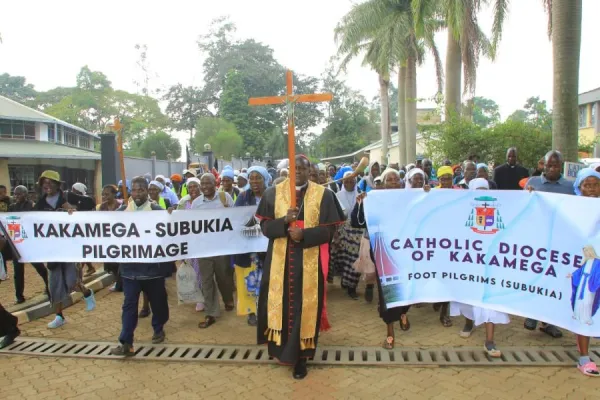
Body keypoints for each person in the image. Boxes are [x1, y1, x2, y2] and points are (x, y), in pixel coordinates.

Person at [256, 155, 344, 379]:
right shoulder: (272, 193)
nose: (299, 173)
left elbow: (331, 232)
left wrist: (305, 234)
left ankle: (301, 359)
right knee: (282, 306)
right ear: (289, 170)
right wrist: (284, 223)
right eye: (295, 169)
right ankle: (280, 350)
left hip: (309, 262)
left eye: (303, 169)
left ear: (309, 170)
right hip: (279, 264)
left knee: (305, 309)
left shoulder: (324, 194)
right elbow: (265, 228)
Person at [350, 170, 411, 350]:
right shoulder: (374, 200)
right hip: (383, 253)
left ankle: (403, 313)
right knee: (388, 292)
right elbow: (356, 222)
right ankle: (390, 331)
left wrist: (425, 193)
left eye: (395, 179)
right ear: (383, 183)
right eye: (388, 180)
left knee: (406, 289)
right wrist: (359, 204)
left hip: (407, 253)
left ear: (401, 182)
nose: (392, 182)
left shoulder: (409, 200)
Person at [110, 177, 170, 356]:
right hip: (130, 271)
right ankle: (126, 342)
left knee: (158, 303)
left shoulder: (157, 211)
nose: (137, 194)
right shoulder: (122, 212)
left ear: (147, 191)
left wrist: (172, 215)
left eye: (141, 190)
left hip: (153, 270)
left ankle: (158, 328)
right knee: (129, 306)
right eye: (134, 190)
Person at [450, 178, 509, 358]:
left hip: (491, 263)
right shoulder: (462, 210)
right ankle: (469, 323)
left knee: (490, 300)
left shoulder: (500, 208)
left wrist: (530, 195)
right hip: (470, 261)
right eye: (478, 190)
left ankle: (489, 340)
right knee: (469, 296)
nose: (482, 193)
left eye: (485, 189)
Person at [34, 171, 96, 329]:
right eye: (44, 183)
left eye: (51, 182)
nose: (47, 185)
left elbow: (79, 216)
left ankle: (87, 293)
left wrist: (72, 213)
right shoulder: (40, 204)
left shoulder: (67, 199)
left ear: (57, 185)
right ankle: (59, 316)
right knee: (54, 285)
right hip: (52, 250)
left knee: (72, 282)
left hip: (69, 248)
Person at [521, 150, 573, 338]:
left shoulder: (570, 186)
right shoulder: (533, 183)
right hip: (536, 239)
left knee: (555, 280)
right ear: (543, 164)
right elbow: (523, 208)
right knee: (535, 276)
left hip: (560, 241)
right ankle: (532, 314)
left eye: (556, 165)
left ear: (561, 165)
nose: (552, 168)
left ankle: (550, 322)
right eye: (549, 165)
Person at [192, 173, 235, 329]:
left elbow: (235, 218)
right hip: (203, 248)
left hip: (222, 246)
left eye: (208, 183)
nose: (205, 187)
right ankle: (211, 313)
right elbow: (190, 224)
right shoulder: (196, 203)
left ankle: (228, 298)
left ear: (215, 184)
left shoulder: (225, 198)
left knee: (224, 277)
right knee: (207, 280)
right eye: (202, 184)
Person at [569, 168, 600, 376]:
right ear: (579, 188)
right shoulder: (572, 208)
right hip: (588, 266)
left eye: (595, 184)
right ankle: (584, 357)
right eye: (586, 184)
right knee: (585, 308)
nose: (591, 188)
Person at [234, 167, 269, 326]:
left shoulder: (272, 195)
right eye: (251, 178)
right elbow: (235, 219)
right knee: (250, 280)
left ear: (265, 179)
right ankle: (251, 312)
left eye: (258, 178)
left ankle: (266, 310)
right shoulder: (242, 197)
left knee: (267, 280)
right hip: (249, 250)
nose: (254, 181)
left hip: (269, 247)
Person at [7, 186, 49, 304]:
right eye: (15, 194)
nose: (16, 196)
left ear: (25, 195)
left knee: (39, 267)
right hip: (17, 243)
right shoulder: (12, 207)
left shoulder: (32, 206)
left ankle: (48, 285)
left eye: (19, 194)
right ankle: (19, 296)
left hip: (29, 243)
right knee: (18, 271)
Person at [331, 171, 365, 300]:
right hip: (341, 231)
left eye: (352, 181)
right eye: (346, 181)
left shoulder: (361, 195)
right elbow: (334, 215)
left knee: (354, 259)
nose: (349, 183)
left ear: (356, 182)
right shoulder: (336, 195)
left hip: (357, 232)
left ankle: (352, 287)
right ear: (342, 182)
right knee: (343, 259)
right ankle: (345, 281)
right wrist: (335, 234)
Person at [97, 185, 123, 293]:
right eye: (103, 194)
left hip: (121, 238)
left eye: (107, 194)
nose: (104, 196)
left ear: (114, 194)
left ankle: (122, 283)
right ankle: (118, 282)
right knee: (111, 263)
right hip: (108, 239)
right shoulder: (101, 207)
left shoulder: (122, 205)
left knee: (121, 263)